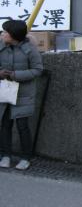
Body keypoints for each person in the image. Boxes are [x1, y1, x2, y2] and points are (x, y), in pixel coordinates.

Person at [0, 20, 43, 171]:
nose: (2, 34)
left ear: (13, 35)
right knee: (5, 125)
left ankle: (26, 157)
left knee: (22, 126)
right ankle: (5, 155)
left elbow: (38, 70)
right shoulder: (1, 47)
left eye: (5, 32)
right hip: (5, 92)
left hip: (23, 94)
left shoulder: (30, 49)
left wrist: (15, 75)